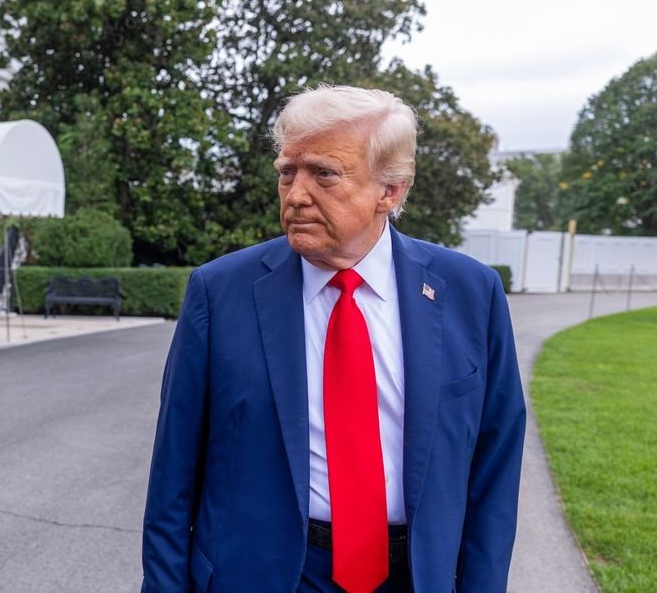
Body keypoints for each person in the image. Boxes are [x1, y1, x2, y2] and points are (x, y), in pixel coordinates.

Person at [141, 86, 526, 592]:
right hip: (266, 575)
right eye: (287, 172)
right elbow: (173, 472)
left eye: (324, 174)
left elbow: (495, 468)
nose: (296, 194)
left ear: (390, 191)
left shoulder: (471, 293)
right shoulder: (220, 291)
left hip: (415, 577)